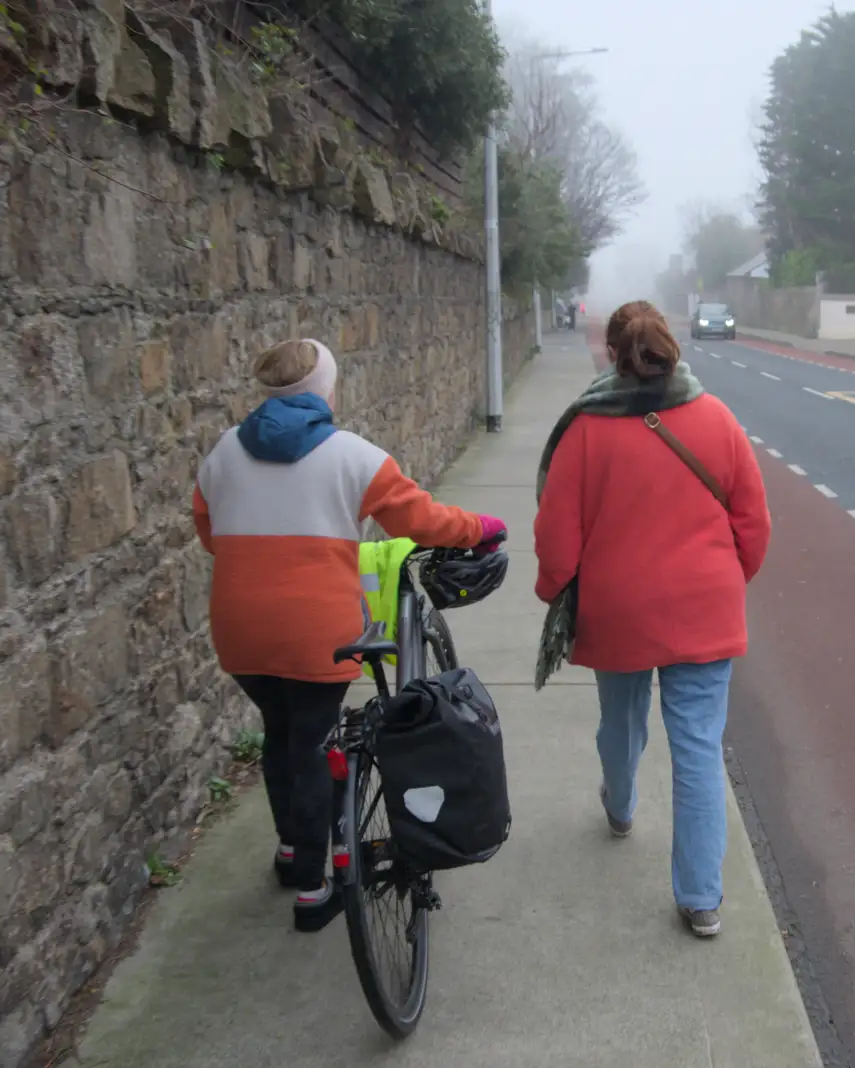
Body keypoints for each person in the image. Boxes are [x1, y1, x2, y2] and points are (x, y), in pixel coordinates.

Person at [193, 338, 505, 931]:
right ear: (325, 392)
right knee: (313, 743)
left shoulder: (223, 453)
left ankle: (291, 850)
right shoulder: (353, 456)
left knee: (280, 733)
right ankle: (313, 888)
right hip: (317, 631)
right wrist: (478, 528)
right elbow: (422, 521)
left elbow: (208, 528)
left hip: (240, 629)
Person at [532, 301, 771, 938]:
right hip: (704, 606)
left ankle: (621, 806)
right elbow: (753, 523)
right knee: (697, 748)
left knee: (621, 718)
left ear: (613, 354)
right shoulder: (717, 419)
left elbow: (558, 536)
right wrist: (721, 581)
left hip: (619, 609)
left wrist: (552, 588)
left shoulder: (584, 429)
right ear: (672, 347)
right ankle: (701, 898)